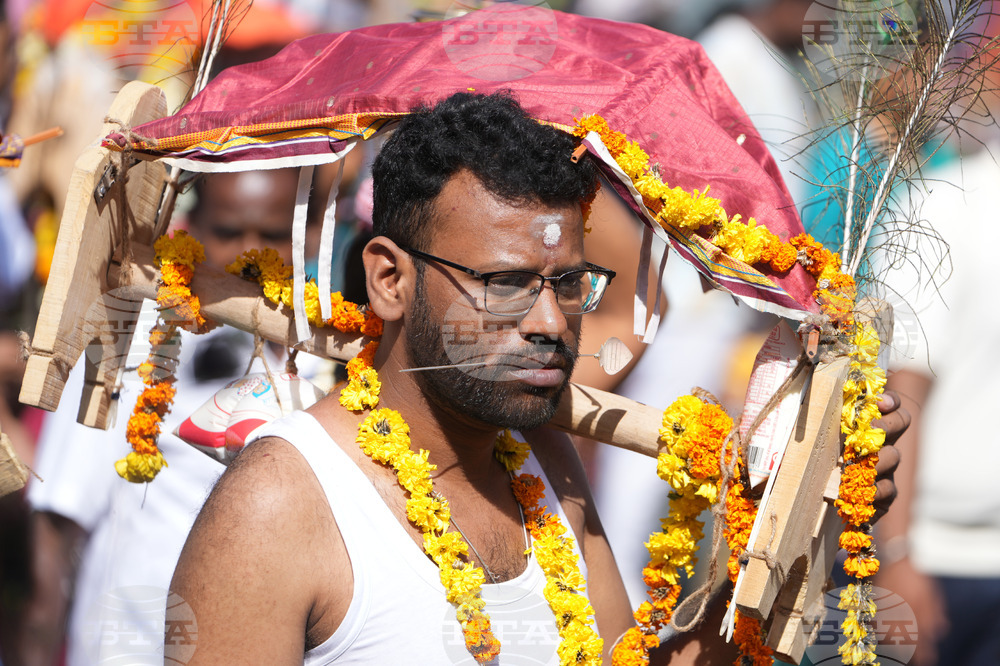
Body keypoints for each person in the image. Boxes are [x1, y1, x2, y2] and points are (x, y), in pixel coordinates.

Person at [169, 91, 904, 664]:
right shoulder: (278, 508)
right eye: (506, 284)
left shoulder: (540, 458)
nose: (552, 322)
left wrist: (794, 524)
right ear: (390, 280)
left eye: (570, 283)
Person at [12, 168, 329, 666]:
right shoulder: (125, 343)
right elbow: (58, 525)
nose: (250, 255)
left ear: (306, 238)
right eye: (228, 231)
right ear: (193, 229)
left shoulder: (328, 370)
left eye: (272, 236)